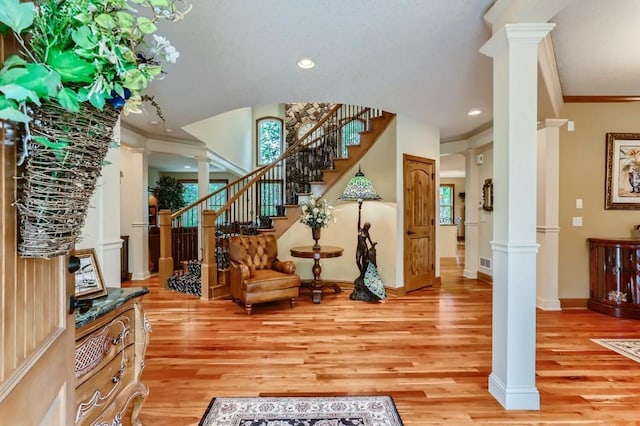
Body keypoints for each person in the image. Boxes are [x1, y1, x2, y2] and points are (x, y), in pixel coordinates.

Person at [350, 216, 386, 302]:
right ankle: (362, 273)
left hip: (365, 249)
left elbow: (370, 242)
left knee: (364, 262)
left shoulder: (367, 234)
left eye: (368, 227)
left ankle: (364, 275)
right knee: (357, 261)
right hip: (359, 248)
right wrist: (359, 209)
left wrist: (373, 245)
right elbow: (358, 221)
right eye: (366, 226)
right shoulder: (359, 230)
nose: (366, 227)